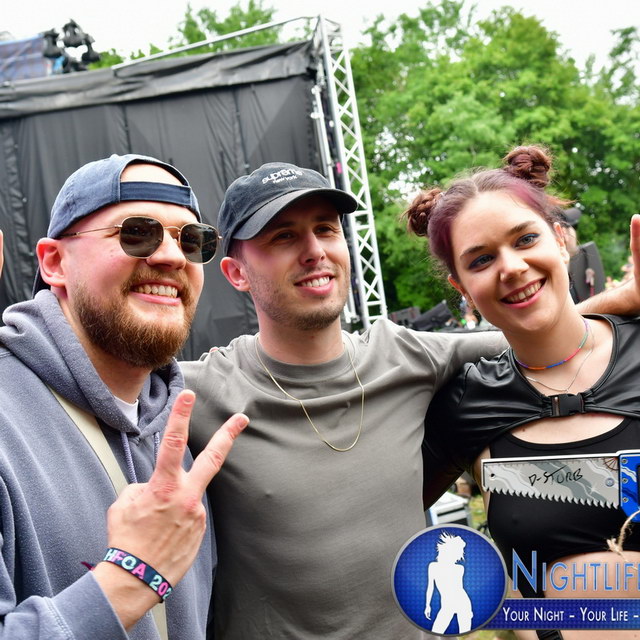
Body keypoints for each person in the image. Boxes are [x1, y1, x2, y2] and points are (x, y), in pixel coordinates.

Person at [182, 161, 640, 639]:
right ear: (235, 272)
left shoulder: (408, 358)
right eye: (283, 237)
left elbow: (536, 329)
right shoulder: (198, 393)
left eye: (326, 229)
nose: (314, 250)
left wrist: (625, 299)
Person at [0, 154, 247, 639]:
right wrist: (131, 579)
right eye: (137, 232)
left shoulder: (182, 429)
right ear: (54, 263)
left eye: (191, 240)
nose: (172, 257)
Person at [407, 145, 640, 639]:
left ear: (560, 239)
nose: (511, 267)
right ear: (462, 289)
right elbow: (375, 520)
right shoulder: (464, 404)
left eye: (526, 238)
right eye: (481, 259)